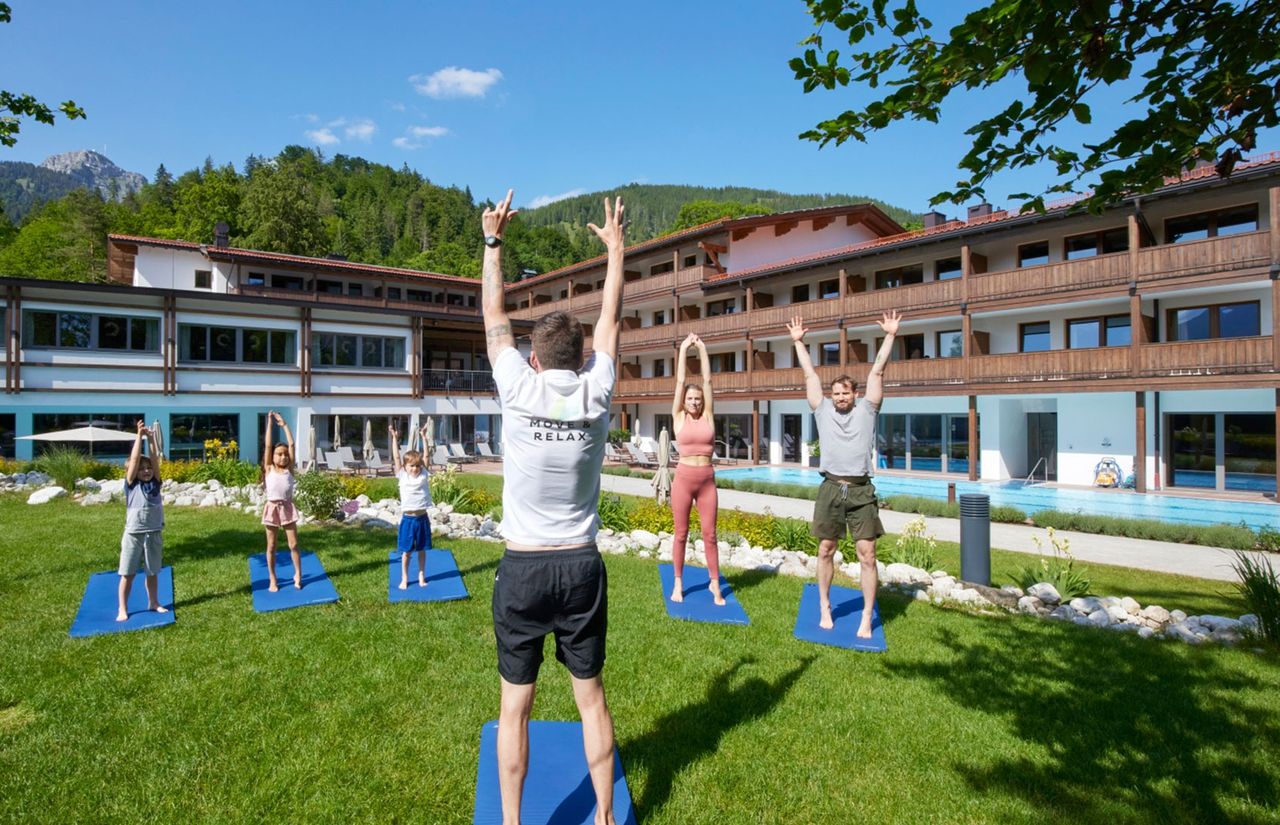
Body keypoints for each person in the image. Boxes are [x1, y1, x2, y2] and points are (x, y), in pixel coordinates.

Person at [482, 189, 625, 825]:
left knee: (516, 707)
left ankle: (512, 822)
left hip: (525, 568)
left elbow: (493, 317)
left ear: (536, 359)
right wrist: (617, 252)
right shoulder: (597, 391)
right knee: (590, 700)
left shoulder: (516, 385)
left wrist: (493, 242)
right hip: (581, 567)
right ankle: (600, 816)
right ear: (581, 357)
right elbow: (611, 322)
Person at [788, 310, 901, 637]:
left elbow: (878, 370)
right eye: (836, 393)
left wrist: (890, 335)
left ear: (854, 394)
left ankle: (867, 616)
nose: (840, 397)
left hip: (861, 491)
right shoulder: (822, 410)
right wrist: (798, 343)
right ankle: (824, 605)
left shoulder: (868, 409)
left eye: (845, 393)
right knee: (825, 549)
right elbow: (810, 377)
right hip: (830, 488)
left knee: (868, 553)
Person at [669, 333, 723, 605]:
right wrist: (682, 350)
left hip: (706, 481)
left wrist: (702, 349)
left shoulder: (709, 416)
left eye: (697, 399)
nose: (694, 402)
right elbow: (680, 381)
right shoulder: (678, 417)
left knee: (710, 534)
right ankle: (678, 583)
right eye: (690, 399)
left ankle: (715, 584)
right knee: (681, 533)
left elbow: (708, 381)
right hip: (683, 479)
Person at [117, 420, 167, 621]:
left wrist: (151, 438)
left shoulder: (156, 483)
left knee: (152, 572)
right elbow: (135, 458)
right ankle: (122, 608)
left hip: (153, 532)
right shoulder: (131, 485)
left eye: (148, 468)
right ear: (134, 472)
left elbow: (154, 458)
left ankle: (153, 602)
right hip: (134, 534)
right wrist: (139, 436)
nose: (146, 470)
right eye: (141, 468)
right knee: (127, 574)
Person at [261, 410, 301, 592]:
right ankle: (272, 578)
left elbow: (292, 444)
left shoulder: (289, 470)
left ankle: (298, 574)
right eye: (279, 454)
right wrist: (269, 423)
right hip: (272, 508)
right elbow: (268, 446)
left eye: (285, 454)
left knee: (293, 544)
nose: (283, 457)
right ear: (273, 456)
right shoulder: (269, 468)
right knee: (271, 545)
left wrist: (284, 425)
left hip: (287, 508)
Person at [389, 422, 432, 590]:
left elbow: (427, 456)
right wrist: (394, 437)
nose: (415, 469)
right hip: (407, 520)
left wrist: (424, 437)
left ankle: (421, 575)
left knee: (421, 549)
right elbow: (396, 457)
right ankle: (404, 577)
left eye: (417, 466)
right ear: (406, 467)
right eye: (411, 466)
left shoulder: (424, 474)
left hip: (422, 519)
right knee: (406, 551)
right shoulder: (401, 475)